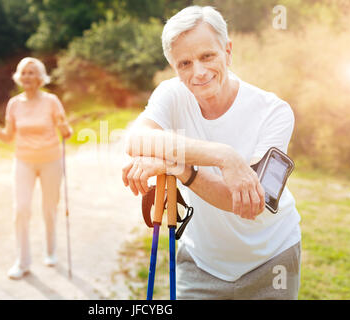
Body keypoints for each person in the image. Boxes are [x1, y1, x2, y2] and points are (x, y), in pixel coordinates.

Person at [122, 6, 301, 299]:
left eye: (207, 56)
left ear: (227, 51)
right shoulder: (172, 94)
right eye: (185, 64)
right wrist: (222, 155)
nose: (199, 72)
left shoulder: (274, 112)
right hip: (200, 263)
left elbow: (248, 204)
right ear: (174, 68)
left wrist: (181, 167)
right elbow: (136, 140)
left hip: (272, 260)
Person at [0, 57, 73, 279]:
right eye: (24, 72)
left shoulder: (51, 101)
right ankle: (22, 262)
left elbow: (67, 133)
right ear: (18, 77)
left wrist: (63, 127)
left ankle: (51, 251)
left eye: (32, 72)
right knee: (21, 209)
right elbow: (7, 136)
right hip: (23, 160)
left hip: (51, 160)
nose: (27, 76)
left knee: (49, 208)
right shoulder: (14, 104)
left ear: (40, 77)